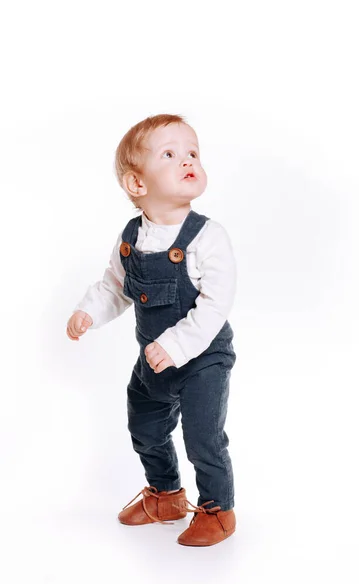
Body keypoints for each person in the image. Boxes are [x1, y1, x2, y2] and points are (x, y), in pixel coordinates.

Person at [66, 113, 237, 547]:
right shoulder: (131, 238)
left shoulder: (207, 238)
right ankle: (165, 496)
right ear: (137, 185)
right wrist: (90, 311)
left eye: (193, 152)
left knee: (203, 436)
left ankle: (218, 508)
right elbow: (115, 287)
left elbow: (216, 305)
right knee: (144, 426)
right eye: (170, 154)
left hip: (203, 359)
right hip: (153, 361)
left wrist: (177, 345)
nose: (188, 159)